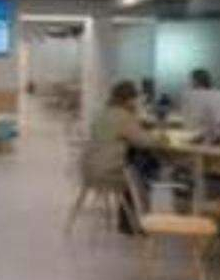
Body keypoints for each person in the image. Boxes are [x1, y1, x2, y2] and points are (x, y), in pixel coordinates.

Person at [66, 80, 164, 233]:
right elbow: (144, 142)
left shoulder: (103, 114)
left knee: (137, 163)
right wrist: (159, 137)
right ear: (130, 99)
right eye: (136, 99)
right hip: (108, 173)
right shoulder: (124, 117)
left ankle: (127, 221)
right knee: (145, 170)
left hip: (89, 170)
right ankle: (137, 222)